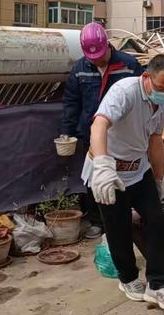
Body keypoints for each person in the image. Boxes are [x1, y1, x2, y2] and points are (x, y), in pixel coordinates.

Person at [89, 54, 164, 312]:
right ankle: (128, 279)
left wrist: (160, 180)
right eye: (161, 88)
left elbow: (155, 142)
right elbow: (99, 125)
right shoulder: (125, 91)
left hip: (138, 171)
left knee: (156, 219)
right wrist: (102, 166)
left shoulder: (161, 105)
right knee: (119, 228)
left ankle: (158, 284)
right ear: (146, 78)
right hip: (110, 173)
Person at [60, 22, 144, 239]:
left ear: (107, 45)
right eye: (91, 56)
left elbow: (142, 97)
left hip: (123, 135)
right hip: (92, 134)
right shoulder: (79, 69)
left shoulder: (129, 65)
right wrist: (67, 131)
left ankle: (124, 219)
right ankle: (98, 221)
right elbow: (71, 102)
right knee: (94, 178)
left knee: (125, 178)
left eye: (99, 54)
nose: (96, 59)